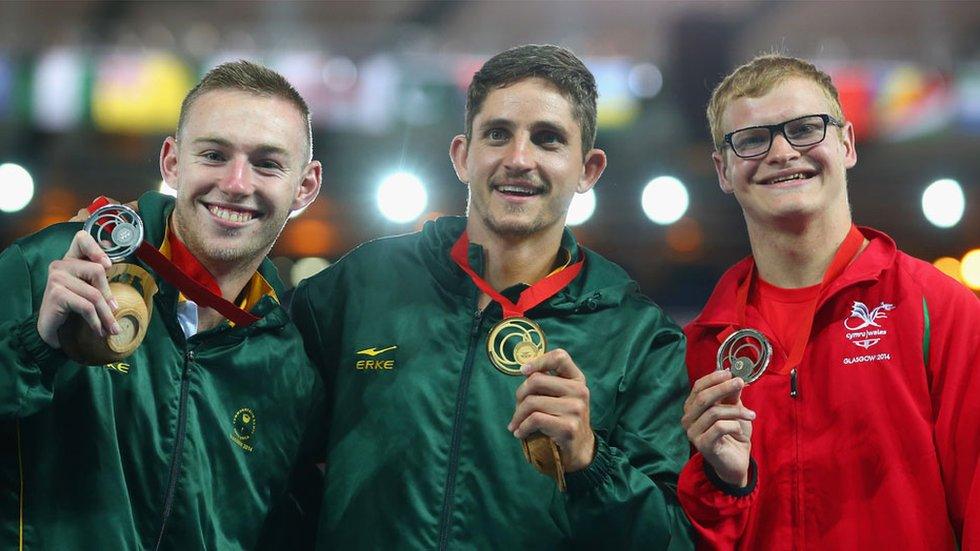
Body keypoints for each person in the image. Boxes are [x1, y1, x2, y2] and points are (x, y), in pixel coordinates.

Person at [290, 44, 694, 548]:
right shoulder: (364, 283)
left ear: (588, 170)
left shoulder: (638, 338)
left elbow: (673, 539)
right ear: (463, 155)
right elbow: (258, 433)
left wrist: (591, 461)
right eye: (498, 134)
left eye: (547, 139)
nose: (518, 159)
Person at [0, 60, 323, 549]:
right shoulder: (46, 268)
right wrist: (35, 346)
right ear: (173, 161)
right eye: (214, 155)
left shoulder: (289, 362)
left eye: (267, 163)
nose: (237, 183)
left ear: (305, 186)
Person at [677, 54, 980, 550]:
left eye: (804, 129)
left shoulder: (938, 309)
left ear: (846, 143)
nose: (781, 152)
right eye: (753, 139)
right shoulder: (701, 349)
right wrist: (723, 485)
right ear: (723, 170)